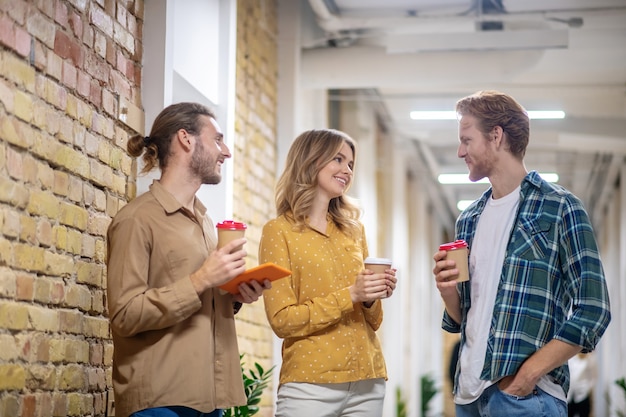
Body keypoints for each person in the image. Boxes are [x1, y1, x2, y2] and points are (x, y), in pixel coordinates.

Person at [432, 90, 611, 417]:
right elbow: (465, 318)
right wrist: (448, 293)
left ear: (496, 136)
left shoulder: (560, 208)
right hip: (468, 397)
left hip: (524, 398)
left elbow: (593, 309)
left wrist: (528, 376)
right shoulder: (468, 219)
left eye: (466, 139)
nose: (460, 151)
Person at [106, 102, 271, 417]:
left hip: (209, 400)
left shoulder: (205, 222)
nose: (226, 151)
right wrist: (201, 279)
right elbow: (125, 314)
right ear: (186, 139)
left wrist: (234, 296)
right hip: (160, 402)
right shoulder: (137, 219)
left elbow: (197, 297)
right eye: (217, 139)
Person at [259, 129, 397, 417]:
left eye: (350, 164)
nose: (346, 170)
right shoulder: (279, 232)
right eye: (338, 159)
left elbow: (373, 321)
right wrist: (351, 295)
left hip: (367, 382)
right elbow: (282, 320)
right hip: (310, 385)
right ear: (310, 160)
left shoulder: (353, 230)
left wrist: (371, 296)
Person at [567, 353, 598, 417]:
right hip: (570, 393)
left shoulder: (590, 358)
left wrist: (588, 388)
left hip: (583, 393)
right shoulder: (571, 357)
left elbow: (594, 377)